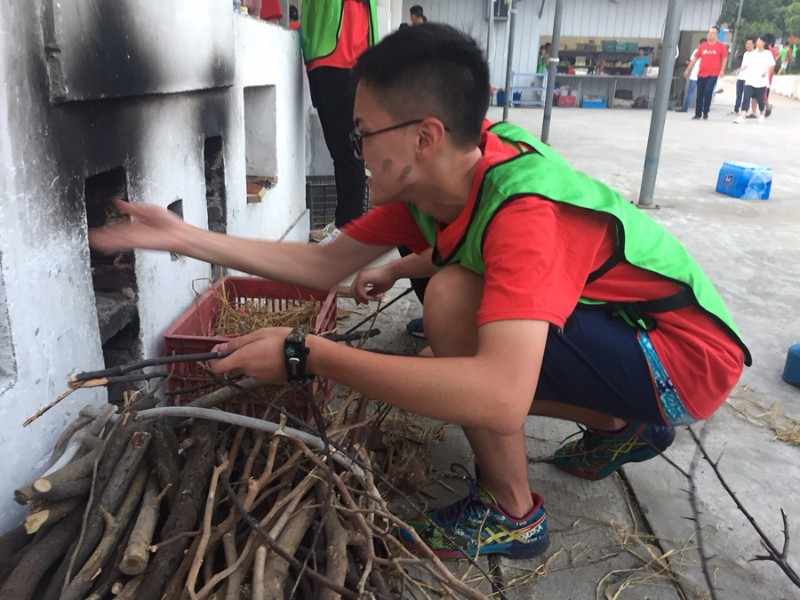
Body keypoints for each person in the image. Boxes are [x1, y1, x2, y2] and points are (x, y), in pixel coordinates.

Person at [89, 23, 750, 561]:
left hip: (682, 364)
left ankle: (513, 515)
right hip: (631, 333)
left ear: (424, 136)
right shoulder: (446, 179)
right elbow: (324, 265)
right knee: (445, 359)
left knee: (455, 308)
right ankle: (618, 422)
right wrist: (183, 238)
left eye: (361, 131)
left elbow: (498, 394)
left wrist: (308, 355)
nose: (354, 147)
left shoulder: (526, 214)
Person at [304, 0, 379, 243]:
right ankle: (344, 226)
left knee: (349, 153)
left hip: (346, 57)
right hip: (321, 55)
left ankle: (348, 234)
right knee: (341, 152)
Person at [684, 25, 728, 120]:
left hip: (713, 74)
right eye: (709, 32)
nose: (710, 34)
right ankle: (698, 113)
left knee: (708, 92)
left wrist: (722, 70)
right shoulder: (703, 46)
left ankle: (706, 110)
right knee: (700, 94)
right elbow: (695, 59)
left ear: (716, 34)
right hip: (701, 74)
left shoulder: (721, 46)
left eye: (712, 33)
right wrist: (688, 69)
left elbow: (724, 58)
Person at [733, 36, 775, 124]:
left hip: (761, 81)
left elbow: (771, 65)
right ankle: (742, 116)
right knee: (746, 97)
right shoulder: (752, 54)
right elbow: (746, 65)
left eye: (759, 41)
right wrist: (740, 69)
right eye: (757, 41)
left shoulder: (767, 53)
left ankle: (762, 113)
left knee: (760, 99)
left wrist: (766, 72)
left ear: (763, 43)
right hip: (750, 80)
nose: (757, 42)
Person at [677, 38, 705, 112]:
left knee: (690, 93)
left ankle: (685, 108)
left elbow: (692, 62)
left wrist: (687, 70)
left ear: (699, 44)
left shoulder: (697, 51)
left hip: (695, 76)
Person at [731, 38, 754, 116]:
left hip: (747, 78)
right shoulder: (746, 54)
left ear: (754, 44)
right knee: (738, 95)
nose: (748, 45)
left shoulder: (754, 54)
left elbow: (748, 65)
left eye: (750, 43)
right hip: (741, 77)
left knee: (746, 96)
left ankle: (744, 111)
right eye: (747, 43)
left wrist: (740, 69)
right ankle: (736, 109)